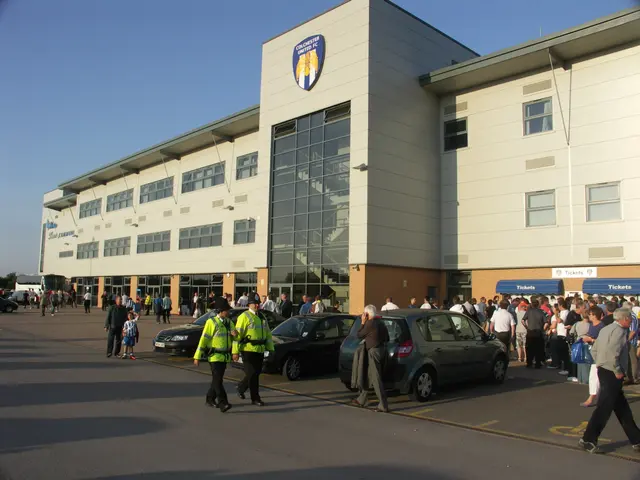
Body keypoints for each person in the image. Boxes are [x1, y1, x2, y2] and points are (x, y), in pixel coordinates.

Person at [580, 308, 640, 453]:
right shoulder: (620, 332)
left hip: (603, 368)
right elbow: (614, 352)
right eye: (629, 319)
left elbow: (595, 349)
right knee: (604, 407)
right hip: (612, 372)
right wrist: (618, 370)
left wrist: (600, 362)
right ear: (624, 319)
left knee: (622, 408)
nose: (631, 321)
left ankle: (636, 439)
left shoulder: (606, 329)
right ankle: (588, 439)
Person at [194, 297, 237, 413]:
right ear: (220, 311)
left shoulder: (229, 322)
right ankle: (223, 403)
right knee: (218, 380)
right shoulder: (211, 322)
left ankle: (209, 398)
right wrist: (197, 356)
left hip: (224, 357)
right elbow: (203, 339)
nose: (228, 312)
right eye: (226, 310)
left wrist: (235, 335)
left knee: (217, 380)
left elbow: (235, 338)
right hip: (214, 356)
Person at [233, 294, 274, 406]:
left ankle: (241, 388)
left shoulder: (262, 317)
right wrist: (235, 351)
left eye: (258, 303)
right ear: (249, 304)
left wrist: (271, 349)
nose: (256, 305)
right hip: (247, 350)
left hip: (259, 350)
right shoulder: (244, 317)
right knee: (252, 373)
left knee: (256, 374)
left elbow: (268, 334)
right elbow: (237, 336)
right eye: (254, 303)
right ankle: (255, 398)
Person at [351, 304, 390, 412]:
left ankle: (383, 404)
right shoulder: (380, 323)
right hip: (381, 350)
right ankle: (362, 399)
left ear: (367, 314)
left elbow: (359, 334)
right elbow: (387, 337)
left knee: (375, 378)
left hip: (373, 352)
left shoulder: (369, 324)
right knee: (368, 375)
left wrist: (362, 322)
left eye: (364, 314)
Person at [581, 306, 606, 406]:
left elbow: (603, 341)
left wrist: (591, 340)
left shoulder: (602, 326)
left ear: (595, 315)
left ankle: (591, 398)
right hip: (591, 351)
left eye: (590, 314)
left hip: (598, 353)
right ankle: (598, 397)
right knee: (597, 376)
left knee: (594, 376)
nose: (589, 316)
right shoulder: (592, 325)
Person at [522, 299, 549, 369]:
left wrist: (526, 327)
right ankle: (537, 363)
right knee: (538, 349)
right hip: (538, 332)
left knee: (529, 349)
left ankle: (529, 363)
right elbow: (546, 322)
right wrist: (543, 329)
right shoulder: (541, 312)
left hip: (530, 332)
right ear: (538, 305)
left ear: (531, 304)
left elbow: (522, 320)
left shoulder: (528, 311)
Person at [571, 306, 593, 385]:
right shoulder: (590, 325)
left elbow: (571, 332)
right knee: (587, 362)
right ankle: (586, 379)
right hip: (587, 343)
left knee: (579, 361)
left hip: (578, 342)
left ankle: (580, 378)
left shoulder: (577, 324)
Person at [622, 301, 638, 385]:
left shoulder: (632, 317)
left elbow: (632, 331)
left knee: (632, 360)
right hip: (629, 341)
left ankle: (634, 377)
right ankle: (630, 377)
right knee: (629, 360)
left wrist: (627, 340)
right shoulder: (630, 316)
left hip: (631, 341)